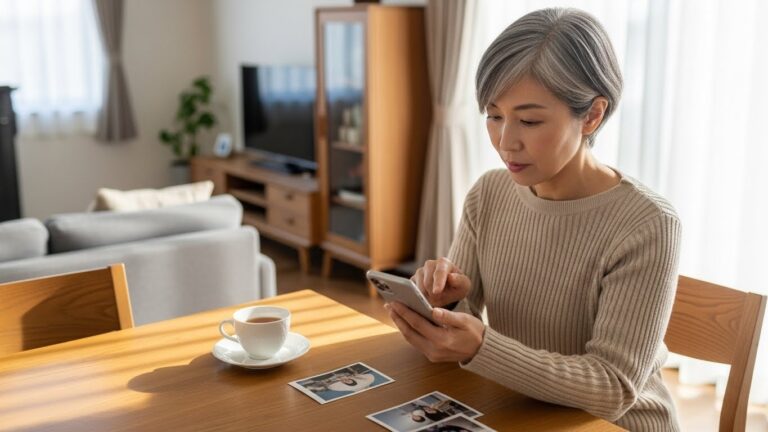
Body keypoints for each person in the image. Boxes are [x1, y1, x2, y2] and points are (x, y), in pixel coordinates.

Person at [385, 8, 682, 432]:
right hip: (518, 409)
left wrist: (482, 346)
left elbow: (612, 389)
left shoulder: (647, 224)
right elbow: (466, 329)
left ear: (592, 115)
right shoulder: (489, 193)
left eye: (529, 120)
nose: (506, 142)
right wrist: (445, 305)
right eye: (494, 115)